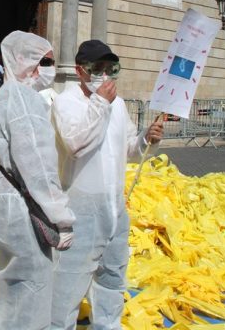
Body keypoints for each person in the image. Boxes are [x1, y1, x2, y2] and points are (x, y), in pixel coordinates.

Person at [50, 40, 164, 330]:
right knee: (69, 284)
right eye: (97, 69)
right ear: (80, 71)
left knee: (112, 279)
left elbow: (127, 148)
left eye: (110, 69)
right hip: (80, 210)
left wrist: (146, 139)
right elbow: (75, 144)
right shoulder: (66, 102)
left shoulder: (119, 104)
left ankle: (108, 325)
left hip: (114, 209)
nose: (105, 76)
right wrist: (99, 103)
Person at [0, 30, 75, 330]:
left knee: (8, 292)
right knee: (29, 296)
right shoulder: (25, 100)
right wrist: (61, 218)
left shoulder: (3, 97)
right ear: (28, 63)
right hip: (20, 215)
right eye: (48, 61)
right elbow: (38, 166)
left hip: (1, 210)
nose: (52, 68)